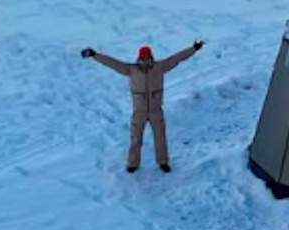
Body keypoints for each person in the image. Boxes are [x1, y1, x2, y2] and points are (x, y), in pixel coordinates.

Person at [81, 39, 204, 173]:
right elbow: (113, 63)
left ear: (151, 56)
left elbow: (177, 58)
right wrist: (95, 55)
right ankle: (133, 163)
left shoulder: (160, 67)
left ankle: (163, 162)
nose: (145, 58)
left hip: (156, 111)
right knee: (135, 139)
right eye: (143, 56)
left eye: (147, 55)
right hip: (139, 112)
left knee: (160, 138)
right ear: (139, 57)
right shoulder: (131, 69)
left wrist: (193, 49)